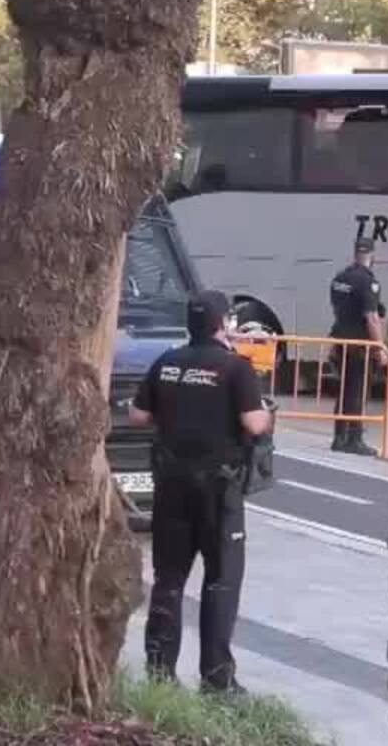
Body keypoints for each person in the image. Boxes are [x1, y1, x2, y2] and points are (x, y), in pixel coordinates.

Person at [128, 289, 273, 694]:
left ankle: (159, 673)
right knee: (221, 579)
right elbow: (255, 423)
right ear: (222, 323)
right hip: (217, 490)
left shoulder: (167, 362)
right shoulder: (235, 368)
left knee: (169, 577)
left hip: (170, 487)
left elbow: (138, 415)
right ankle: (217, 677)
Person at [327, 237, 387, 456]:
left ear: (354, 253)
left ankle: (339, 436)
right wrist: (380, 349)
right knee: (357, 391)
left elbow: (338, 310)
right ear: (373, 255)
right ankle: (354, 438)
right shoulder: (367, 282)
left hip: (341, 340)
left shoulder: (340, 278)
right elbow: (371, 318)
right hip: (360, 345)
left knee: (344, 390)